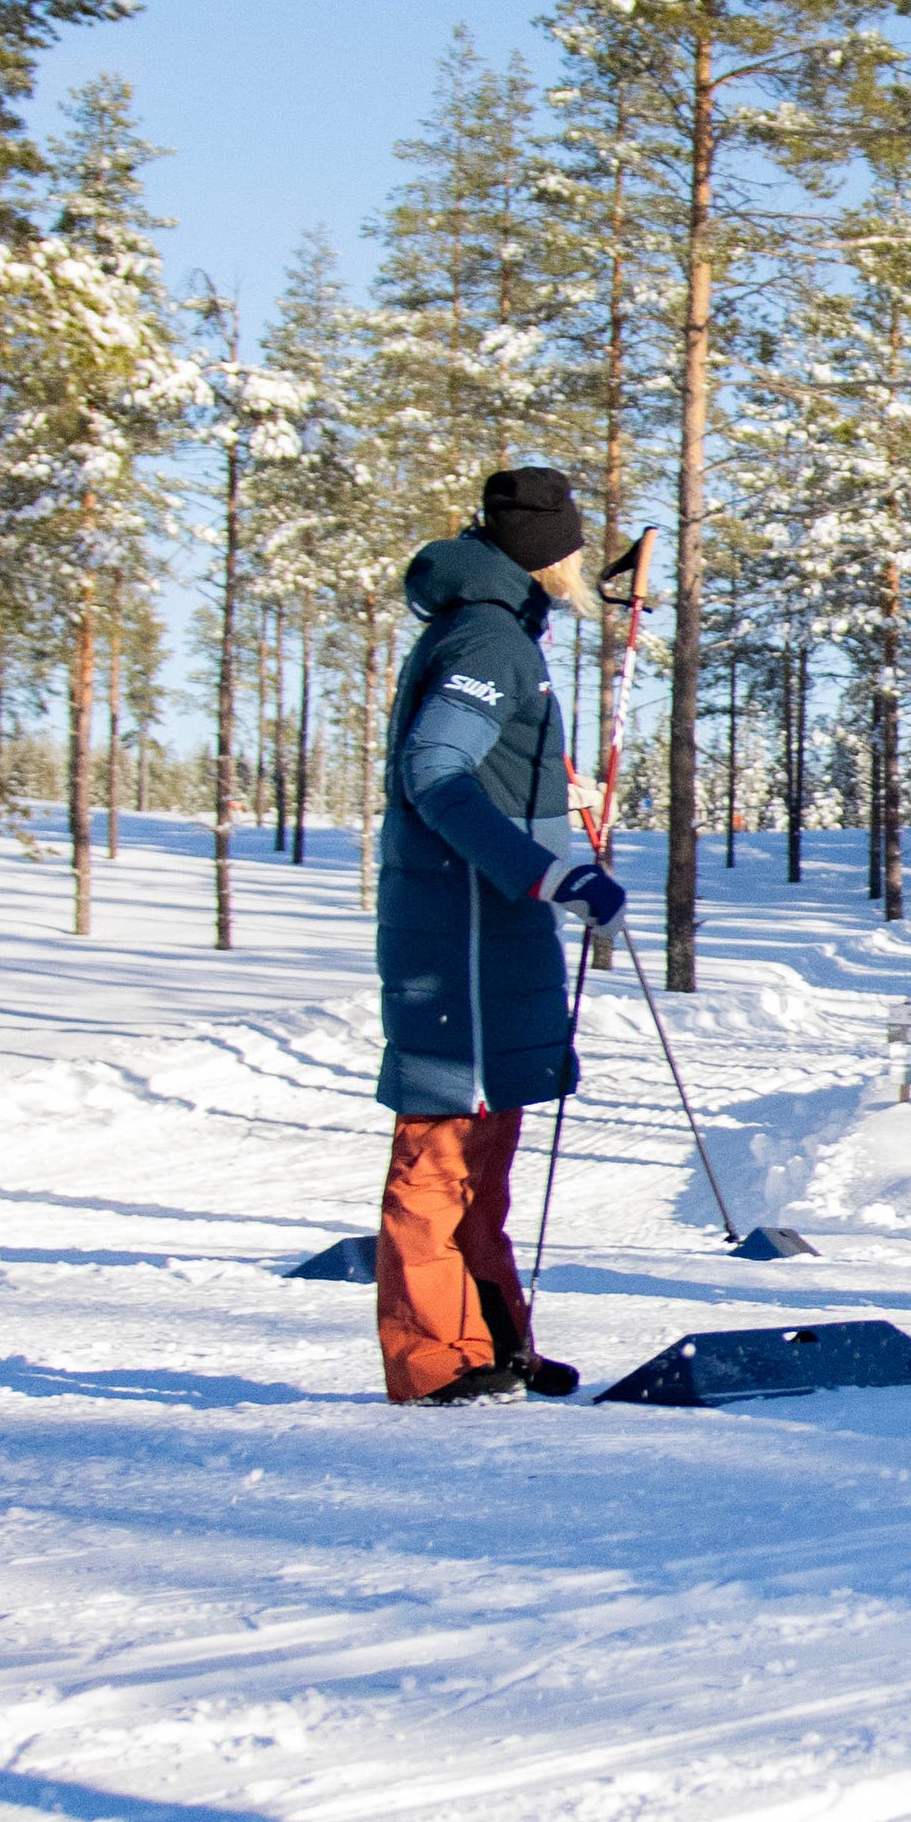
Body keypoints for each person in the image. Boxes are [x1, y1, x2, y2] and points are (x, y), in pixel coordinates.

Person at [371, 466, 626, 1403]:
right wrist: (546, 870)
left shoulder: (500, 628)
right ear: (541, 551)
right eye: (570, 541)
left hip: (499, 935)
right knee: (436, 1163)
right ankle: (433, 1358)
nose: (579, 559)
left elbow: (497, 769)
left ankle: (493, 1342)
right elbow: (436, 774)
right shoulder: (487, 636)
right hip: (459, 943)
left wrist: (561, 815)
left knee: (485, 1165)